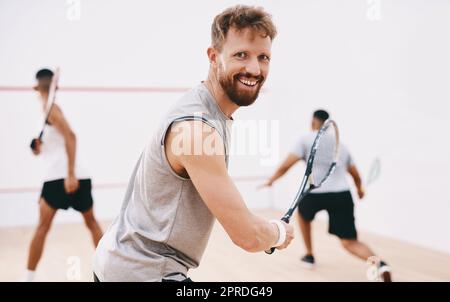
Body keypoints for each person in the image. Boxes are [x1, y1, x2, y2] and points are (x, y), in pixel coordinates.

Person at [93, 5, 294, 282]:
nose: (254, 68)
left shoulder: (206, 109)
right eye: (241, 55)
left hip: (118, 260)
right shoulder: (197, 130)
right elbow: (246, 235)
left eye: (264, 57)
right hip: (145, 272)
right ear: (213, 56)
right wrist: (279, 233)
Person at [262, 109, 392, 282]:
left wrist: (271, 180)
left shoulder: (305, 139)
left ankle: (309, 255)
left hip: (314, 193)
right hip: (341, 195)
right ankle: (380, 264)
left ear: (313, 122)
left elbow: (285, 166)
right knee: (350, 242)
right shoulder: (340, 145)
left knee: (303, 216)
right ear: (327, 123)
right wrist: (360, 190)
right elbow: (355, 174)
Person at [24, 68, 103, 282]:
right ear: (54, 86)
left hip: (62, 177)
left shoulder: (51, 110)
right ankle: (110, 272)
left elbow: (71, 136)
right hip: (74, 175)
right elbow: (56, 143)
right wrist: (36, 147)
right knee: (92, 223)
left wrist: (70, 174)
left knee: (42, 227)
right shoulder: (47, 111)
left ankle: (28, 278)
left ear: (35, 86)